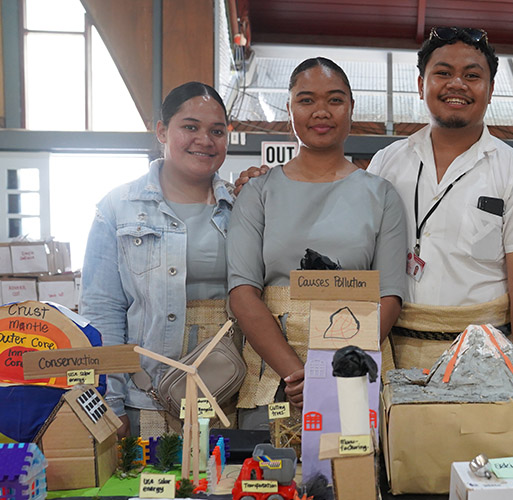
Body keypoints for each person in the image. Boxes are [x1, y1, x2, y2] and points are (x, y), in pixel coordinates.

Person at [227, 57, 407, 426]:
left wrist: (336, 369)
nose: (321, 112)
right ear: (290, 107)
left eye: (335, 100)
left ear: (351, 108)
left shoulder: (381, 194)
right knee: (270, 478)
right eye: (306, 100)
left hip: (355, 368)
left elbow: (390, 294)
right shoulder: (258, 192)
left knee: (355, 477)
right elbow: (242, 292)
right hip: (274, 373)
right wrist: (298, 374)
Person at [367, 27, 513, 370]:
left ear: (490, 89)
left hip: (485, 357)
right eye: (443, 73)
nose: (457, 84)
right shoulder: (387, 162)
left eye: (472, 75)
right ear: (420, 83)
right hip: (392, 352)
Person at [80, 82, 234, 438]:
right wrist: (110, 401)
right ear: (162, 130)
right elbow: (102, 310)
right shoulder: (117, 208)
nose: (204, 140)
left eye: (217, 131)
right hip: (145, 394)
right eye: (190, 127)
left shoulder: (241, 206)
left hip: (225, 391)